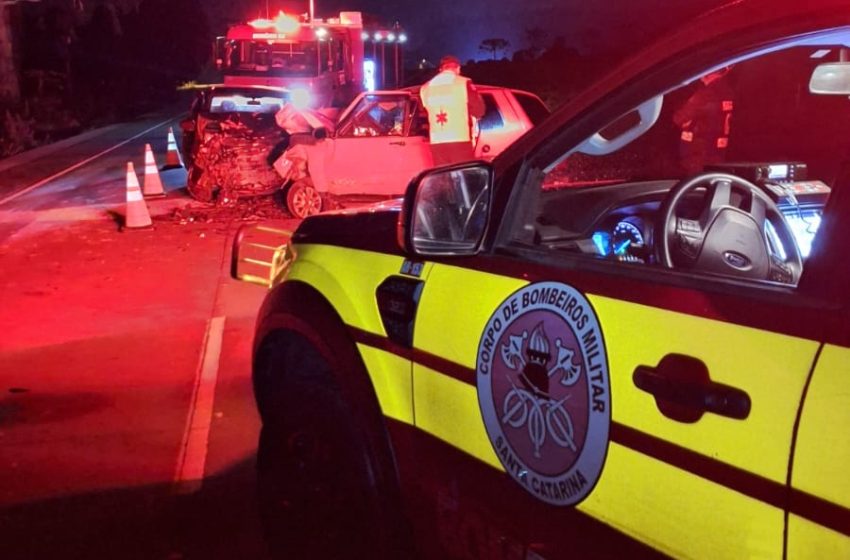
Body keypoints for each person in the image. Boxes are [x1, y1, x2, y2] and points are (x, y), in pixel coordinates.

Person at [420, 55, 486, 166]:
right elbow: (479, 110)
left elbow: (423, 111)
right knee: (462, 179)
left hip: (437, 143)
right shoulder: (463, 83)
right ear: (458, 68)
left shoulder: (425, 88)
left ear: (440, 69)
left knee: (443, 178)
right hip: (460, 140)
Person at [672, 67, 735, 175]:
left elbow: (678, 118)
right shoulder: (728, 92)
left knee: (695, 183)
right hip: (718, 150)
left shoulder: (705, 95)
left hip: (698, 151)